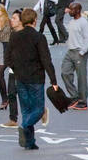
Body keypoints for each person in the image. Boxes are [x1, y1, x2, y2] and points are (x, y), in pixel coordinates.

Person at [5, 8, 58, 151]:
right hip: (36, 78)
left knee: (27, 110)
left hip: (20, 78)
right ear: (35, 21)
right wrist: (53, 80)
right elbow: (46, 60)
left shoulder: (14, 36)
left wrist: (16, 69)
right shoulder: (39, 38)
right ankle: (24, 127)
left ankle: (30, 142)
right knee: (39, 109)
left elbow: (7, 58)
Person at [59, 2, 88, 110]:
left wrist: (82, 52)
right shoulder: (71, 22)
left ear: (78, 10)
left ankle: (83, 101)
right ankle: (74, 96)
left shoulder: (84, 23)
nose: (69, 11)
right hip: (70, 51)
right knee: (65, 72)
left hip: (79, 52)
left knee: (81, 77)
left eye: (72, 10)